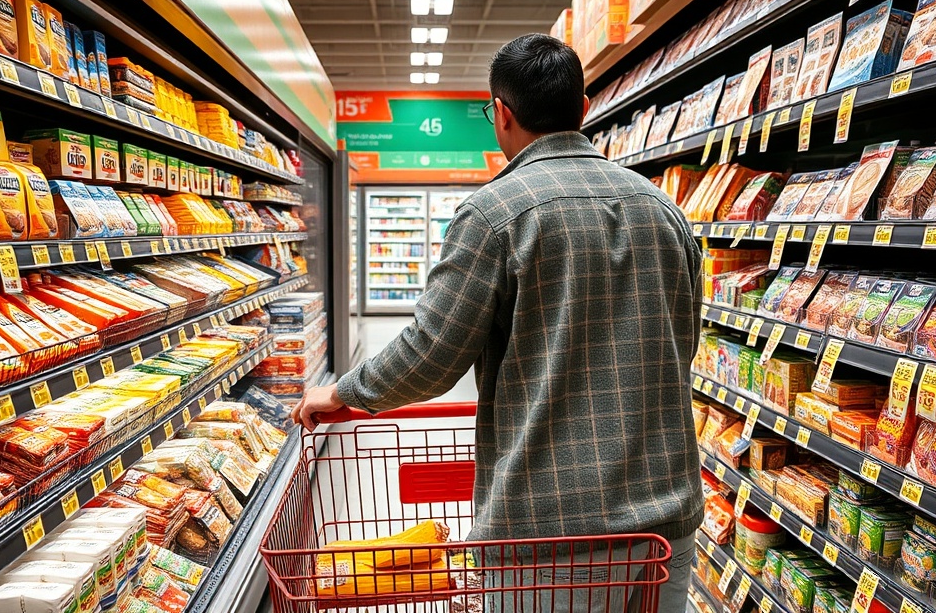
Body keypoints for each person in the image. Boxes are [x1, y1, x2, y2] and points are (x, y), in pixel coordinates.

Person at [293, 33, 703, 613]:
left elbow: (430, 355)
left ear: (502, 115)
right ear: (583, 109)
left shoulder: (494, 215)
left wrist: (343, 392)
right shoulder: (664, 210)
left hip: (550, 528)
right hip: (665, 523)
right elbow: (681, 343)